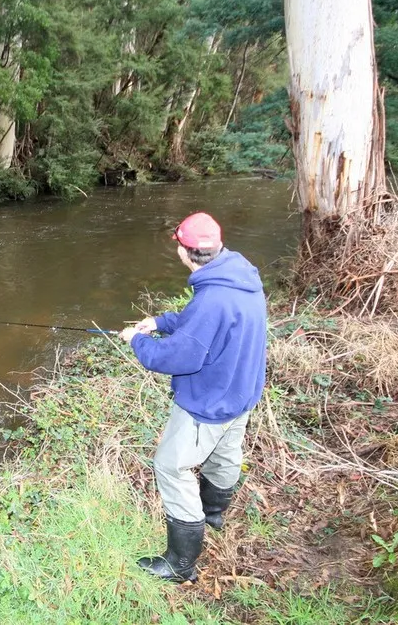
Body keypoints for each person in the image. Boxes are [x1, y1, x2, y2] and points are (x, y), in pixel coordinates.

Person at [118, 212, 267, 583]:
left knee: (171, 465)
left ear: (185, 250)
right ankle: (213, 514)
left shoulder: (213, 298)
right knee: (225, 454)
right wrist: (162, 321)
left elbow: (174, 357)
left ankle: (180, 564)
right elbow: (207, 322)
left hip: (209, 401)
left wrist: (136, 339)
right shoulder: (238, 274)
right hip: (241, 391)